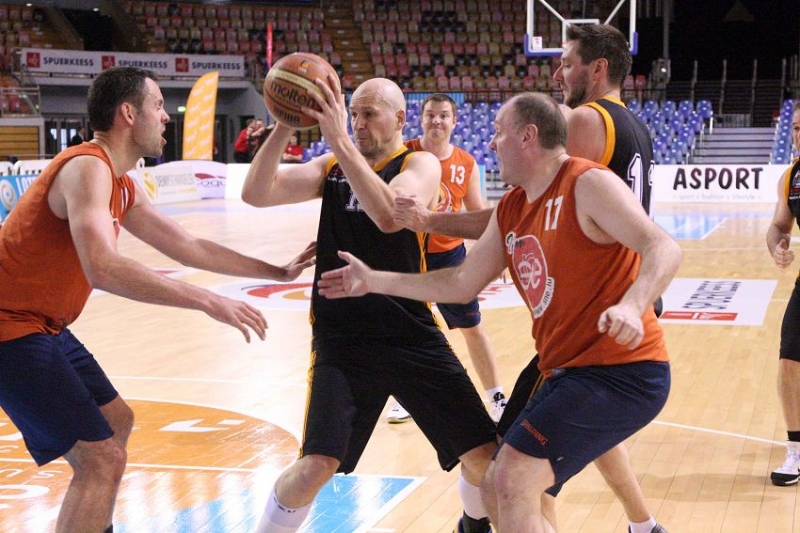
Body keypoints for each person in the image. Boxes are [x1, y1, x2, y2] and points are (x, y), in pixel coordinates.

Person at [319, 91, 681, 533]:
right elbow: (460, 283)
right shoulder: (513, 206)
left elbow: (663, 246)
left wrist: (633, 303)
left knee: (512, 477)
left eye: (498, 133)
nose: (490, 143)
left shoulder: (587, 183)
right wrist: (373, 280)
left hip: (623, 372)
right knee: (496, 480)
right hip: (564, 370)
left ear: (528, 136)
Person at [0, 67, 317, 533]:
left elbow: (188, 246)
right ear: (128, 114)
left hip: (42, 324)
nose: (167, 117)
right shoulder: (88, 167)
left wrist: (276, 271)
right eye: (158, 106)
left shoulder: (122, 182)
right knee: (101, 459)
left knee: (116, 422)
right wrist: (207, 300)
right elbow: (103, 267)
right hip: (10, 327)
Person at [393, 24, 666, 533]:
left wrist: (432, 221)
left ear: (598, 68)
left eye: (567, 63)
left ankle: (485, 525)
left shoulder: (583, 123)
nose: (558, 74)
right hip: (620, 298)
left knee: (516, 471)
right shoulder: (634, 125)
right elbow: (514, 218)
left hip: (601, 306)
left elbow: (522, 207)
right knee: (564, 441)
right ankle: (643, 524)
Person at [242, 77, 498, 533]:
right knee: (315, 465)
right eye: (353, 114)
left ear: (399, 119)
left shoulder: (420, 163)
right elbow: (257, 193)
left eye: (368, 114)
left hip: (410, 333)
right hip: (343, 341)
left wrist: (338, 139)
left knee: (486, 458)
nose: (357, 123)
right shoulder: (332, 167)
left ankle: (472, 526)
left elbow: (389, 216)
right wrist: (284, 123)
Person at [386, 93, 506, 425]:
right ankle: (405, 397)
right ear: (420, 119)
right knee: (405, 329)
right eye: (430, 115)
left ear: (455, 121)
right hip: (408, 255)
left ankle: (496, 396)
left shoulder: (466, 163)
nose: (436, 121)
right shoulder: (404, 153)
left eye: (443, 115)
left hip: (449, 256)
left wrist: (499, 252)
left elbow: (477, 213)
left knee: (472, 328)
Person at [766, 100, 800, 487]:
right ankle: (795, 450)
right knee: (789, 362)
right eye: (796, 128)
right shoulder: (791, 177)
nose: (799, 135)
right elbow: (778, 226)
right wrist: (777, 246)